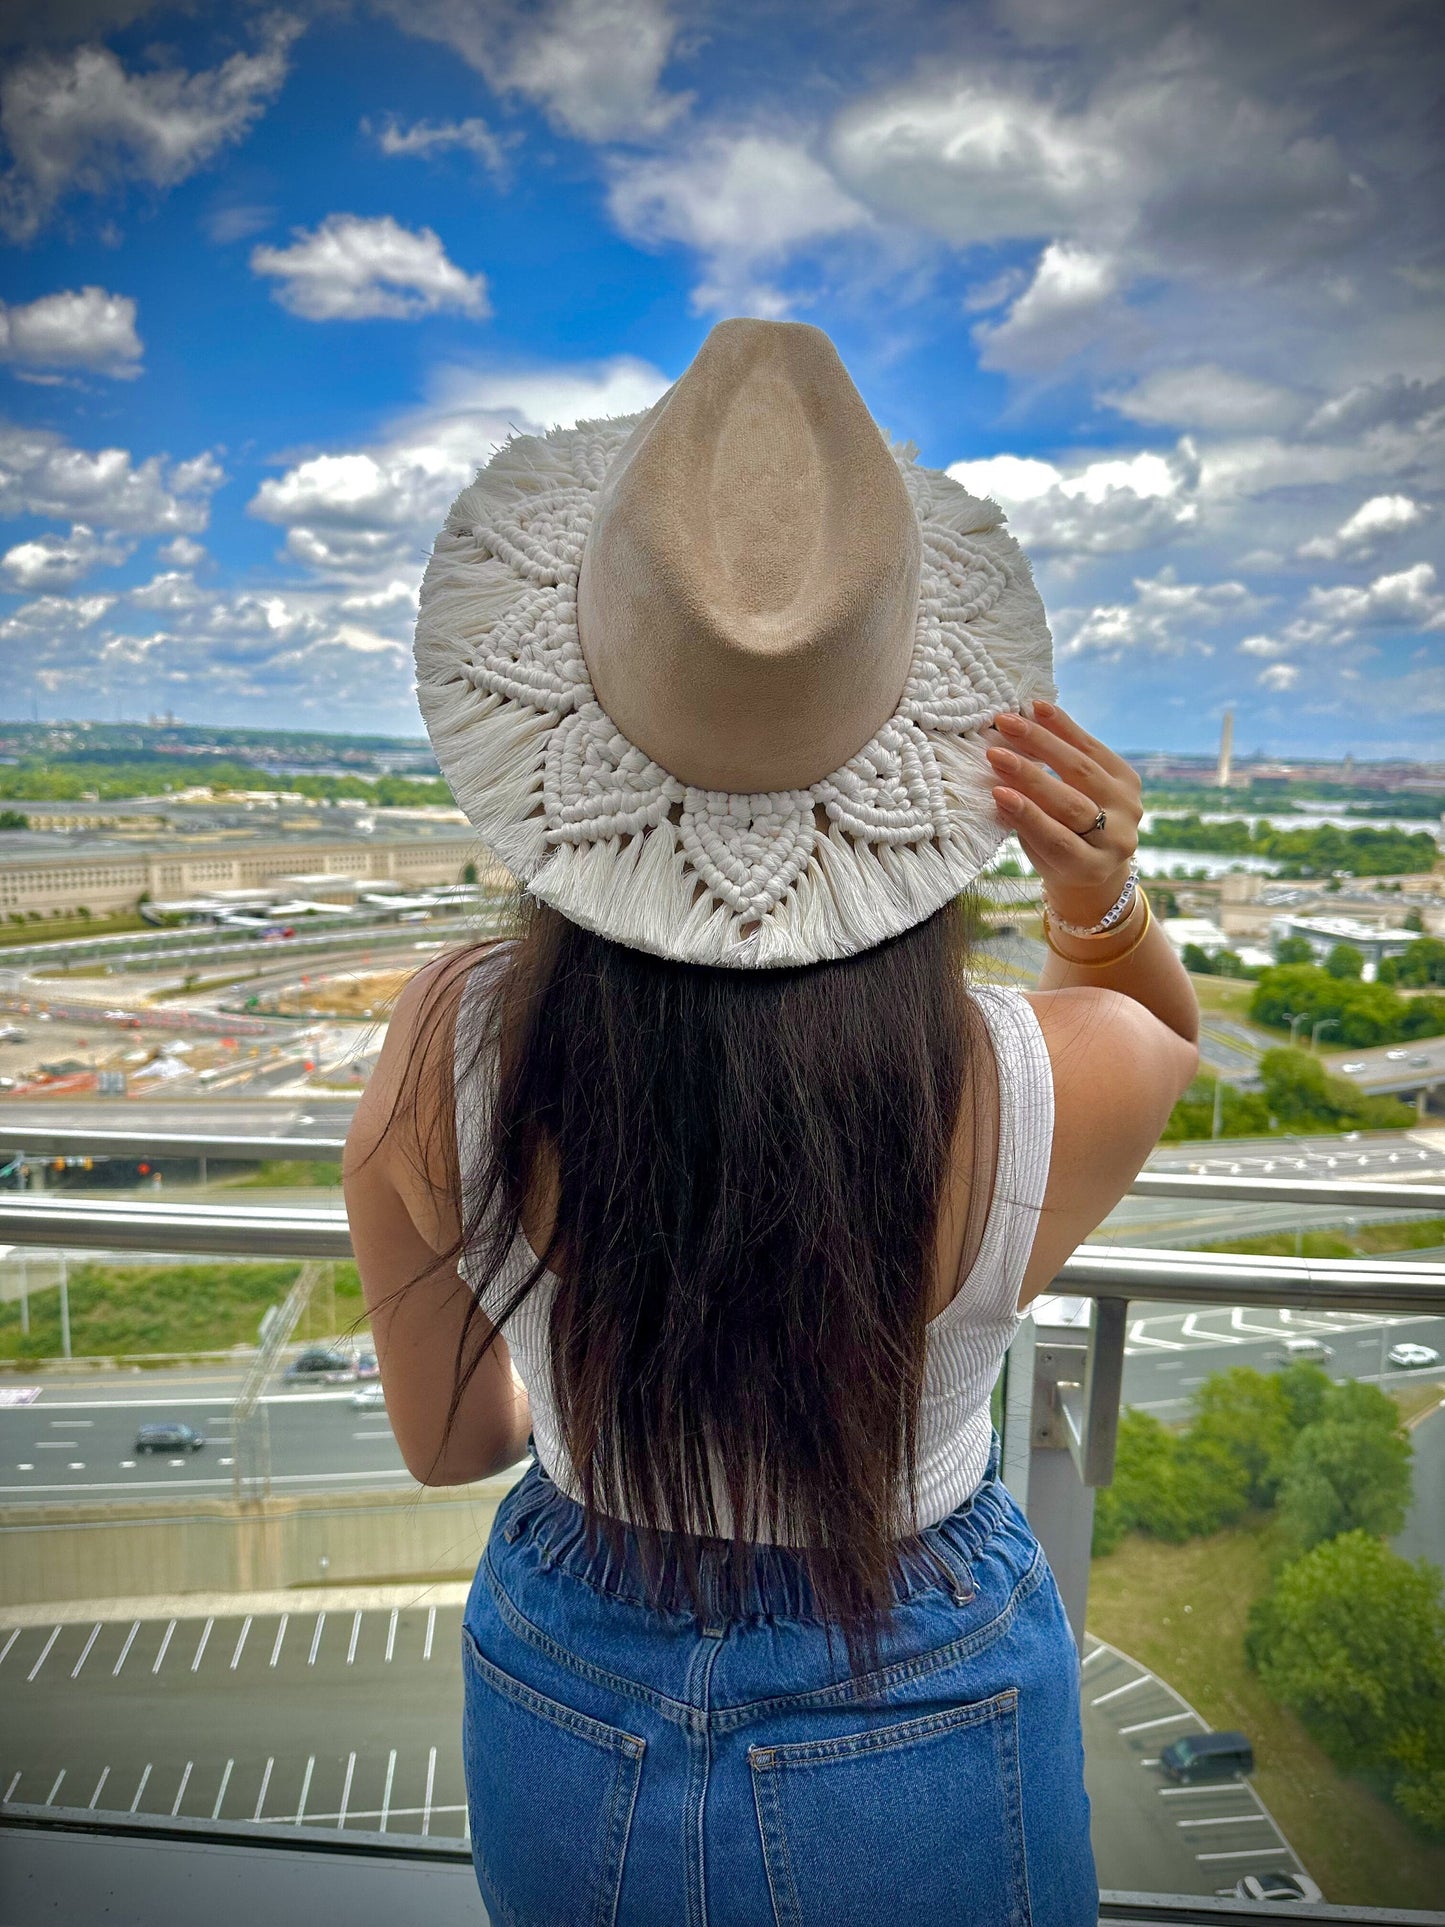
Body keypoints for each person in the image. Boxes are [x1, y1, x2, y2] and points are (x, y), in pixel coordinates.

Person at [343, 318, 1199, 1926]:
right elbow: (1158, 1030)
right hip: (915, 1648)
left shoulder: (439, 1046)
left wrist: (600, 1363)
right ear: (915, 765)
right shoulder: (1039, 1082)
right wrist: (1103, 896)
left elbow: (449, 1443)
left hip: (565, 1658)